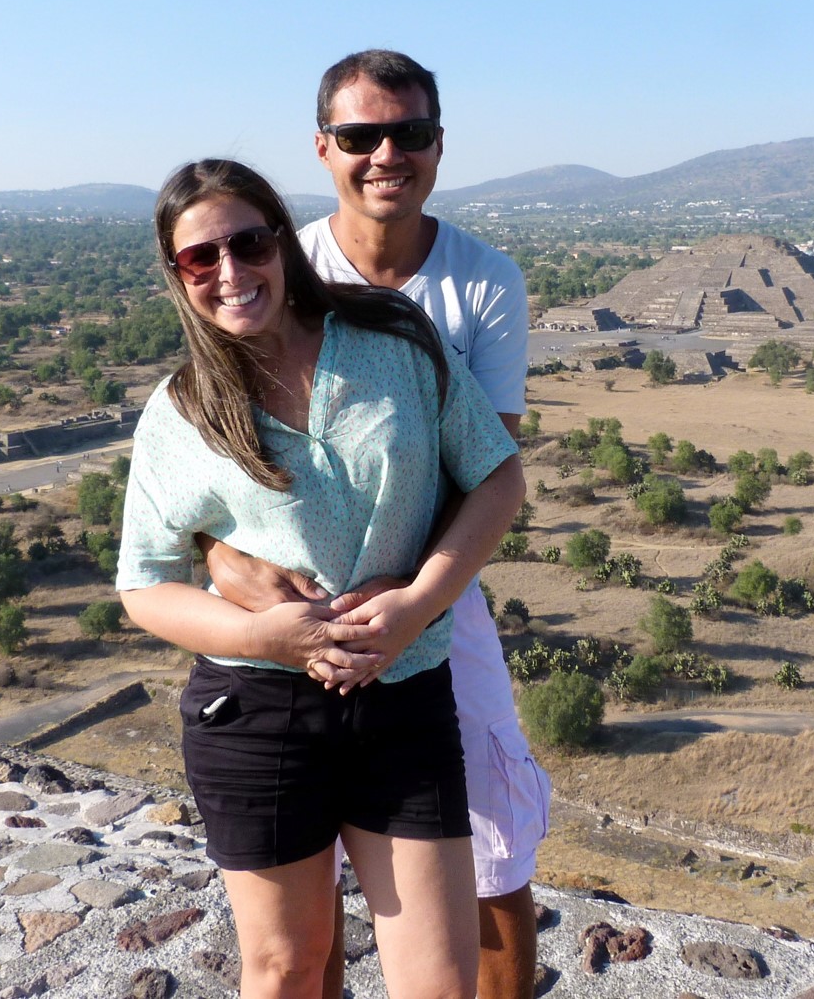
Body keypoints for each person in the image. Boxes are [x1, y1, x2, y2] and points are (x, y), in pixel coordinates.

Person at [118, 158, 524, 999]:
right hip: (259, 712)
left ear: (282, 242)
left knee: (441, 984)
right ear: (177, 274)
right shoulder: (183, 410)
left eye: (248, 243)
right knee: (287, 970)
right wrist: (262, 635)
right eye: (200, 257)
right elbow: (145, 583)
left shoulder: (394, 341)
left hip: (402, 692)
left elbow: (496, 475)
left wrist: (418, 605)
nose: (230, 271)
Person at [204, 50, 550, 999]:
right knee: (301, 879)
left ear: (439, 143)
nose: (387, 153)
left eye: (410, 132)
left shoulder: (482, 281)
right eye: (361, 135)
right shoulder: (272, 265)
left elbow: (487, 464)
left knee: (490, 850)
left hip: (433, 596)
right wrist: (223, 559)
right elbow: (205, 447)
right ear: (323, 148)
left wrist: (410, 598)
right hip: (289, 606)